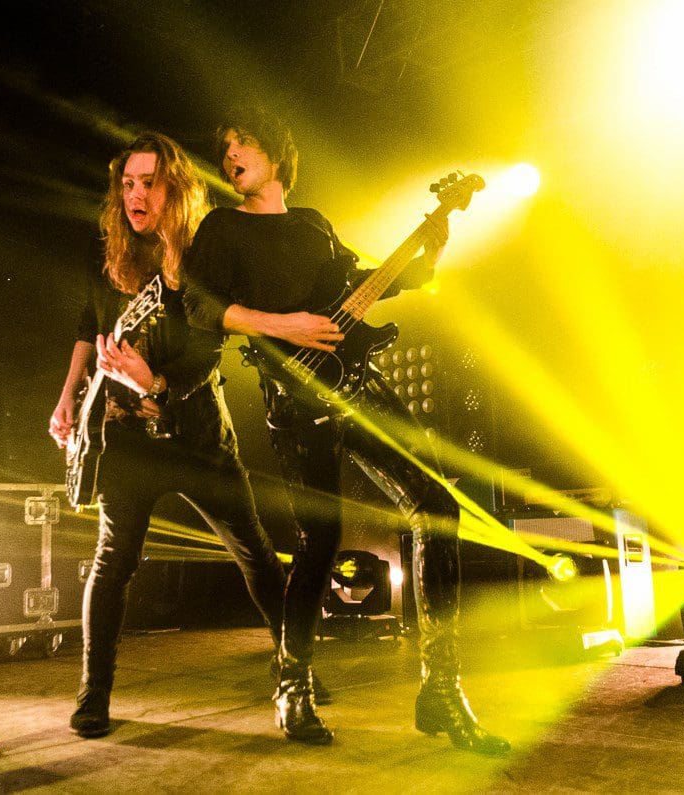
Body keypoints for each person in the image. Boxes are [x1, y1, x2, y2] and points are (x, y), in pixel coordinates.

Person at [182, 108, 509, 754]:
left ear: (276, 153)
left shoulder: (312, 225)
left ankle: (442, 688)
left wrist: (432, 242)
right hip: (294, 395)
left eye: (243, 142)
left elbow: (368, 287)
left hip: (356, 382)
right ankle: (293, 687)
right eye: (225, 147)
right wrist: (287, 327)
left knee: (437, 505)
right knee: (322, 538)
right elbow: (198, 307)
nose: (230, 154)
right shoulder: (223, 228)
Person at [50, 132, 292, 739]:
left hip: (197, 434)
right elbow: (89, 325)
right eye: (128, 184)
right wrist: (67, 395)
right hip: (126, 438)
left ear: (175, 189)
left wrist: (155, 381)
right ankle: (93, 696)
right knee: (113, 561)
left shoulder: (205, 253)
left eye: (149, 183)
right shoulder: (109, 250)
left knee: (253, 551)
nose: (135, 195)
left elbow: (210, 349)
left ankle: (296, 671)